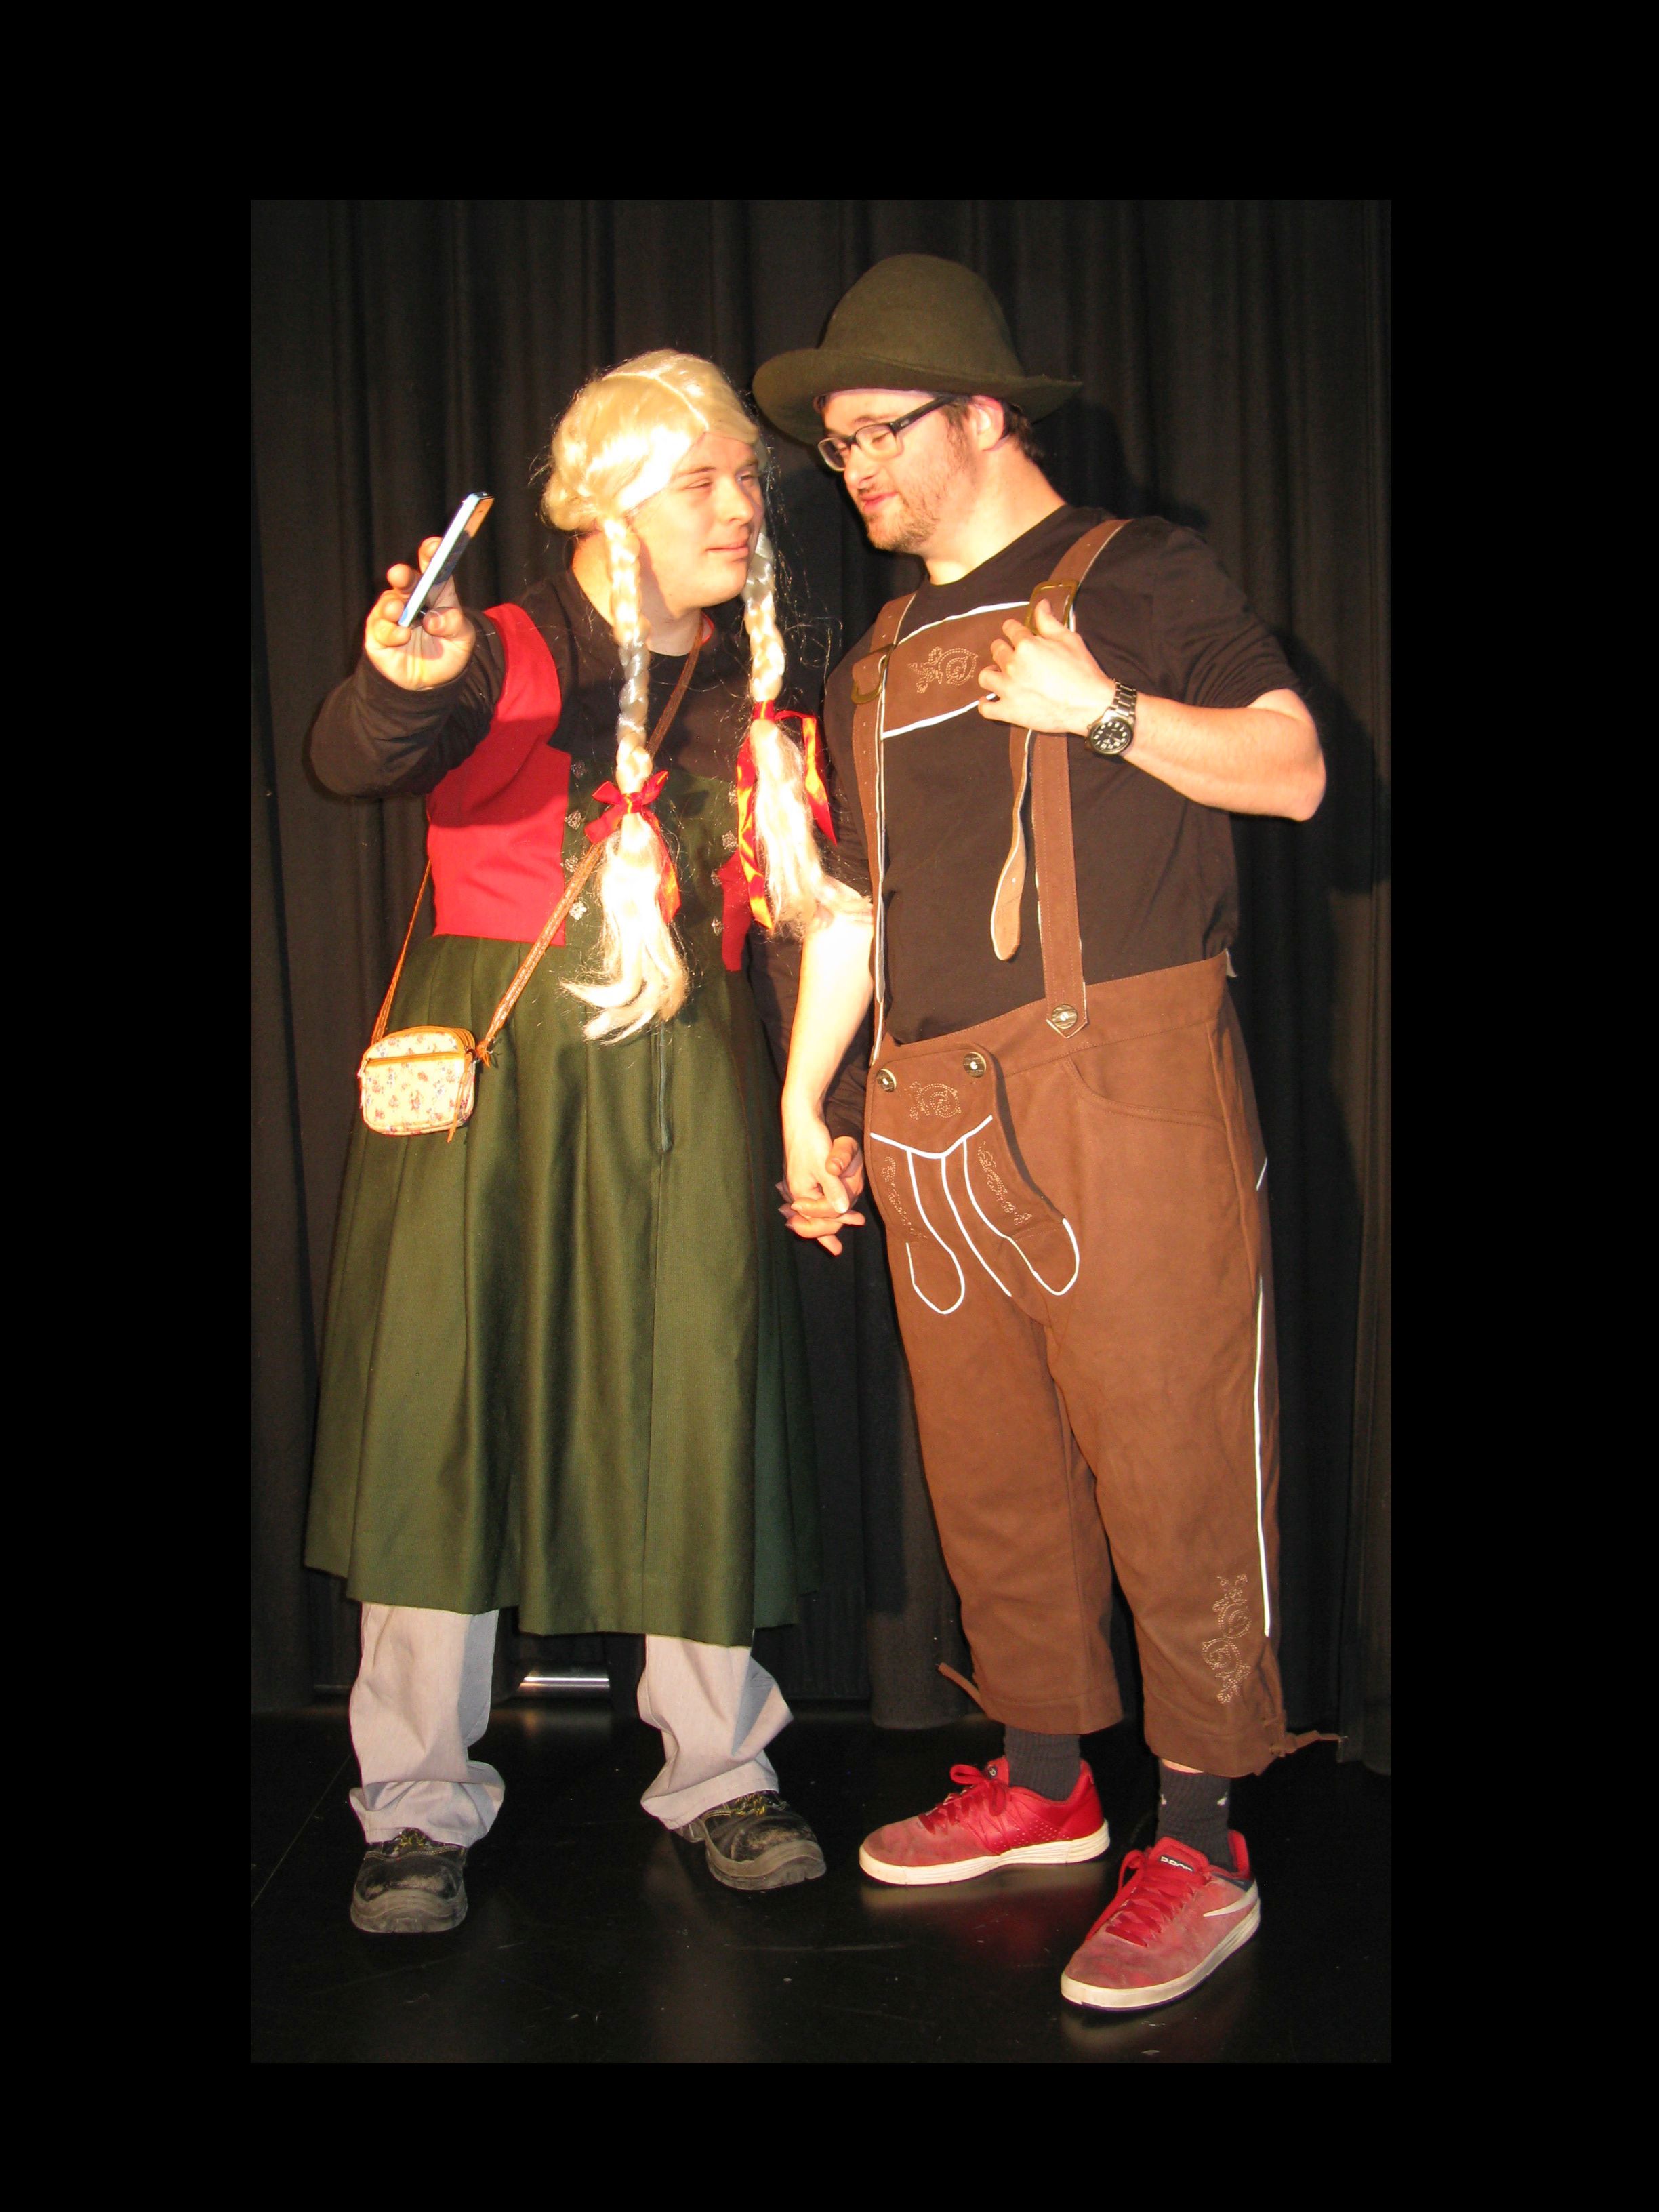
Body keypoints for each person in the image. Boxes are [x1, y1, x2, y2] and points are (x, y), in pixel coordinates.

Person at [753, 256, 1327, 2011]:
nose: (857, 465)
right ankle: (1048, 1783)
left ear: (986, 414)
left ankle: (1207, 1842)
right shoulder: (873, 659)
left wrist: (1107, 713)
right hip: (928, 1110)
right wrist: (807, 1101)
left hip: (1122, 1091)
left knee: (1174, 1469)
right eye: (839, 442)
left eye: (882, 428)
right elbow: (858, 908)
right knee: (992, 1477)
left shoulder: (1139, 573)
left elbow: (1298, 768)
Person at [306, 350, 869, 1931]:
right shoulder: (497, 649)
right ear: (608, 503)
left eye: (747, 478)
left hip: (685, 1076)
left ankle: (720, 1770)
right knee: (443, 1405)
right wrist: (394, 681)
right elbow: (358, 753)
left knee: (697, 1394)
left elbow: (809, 908)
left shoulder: (762, 682)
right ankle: (415, 1803)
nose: (741, 506)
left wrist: (812, 1108)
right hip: (492, 1093)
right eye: (700, 480)